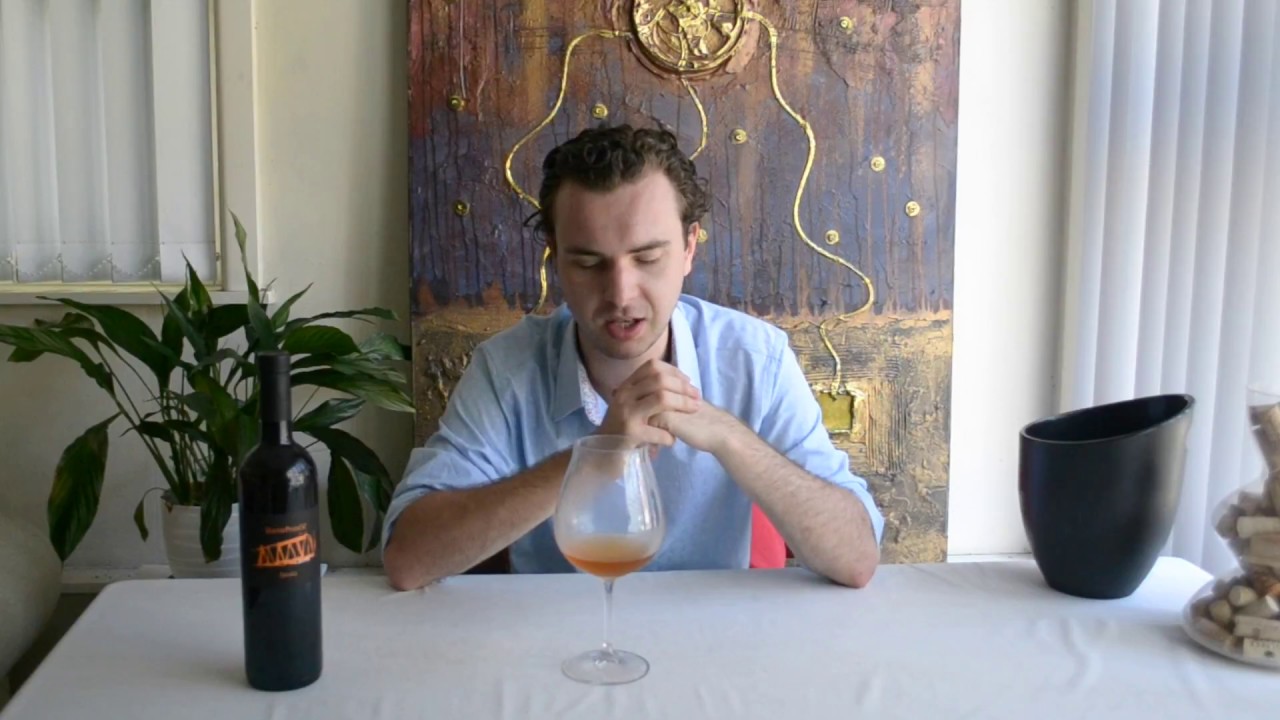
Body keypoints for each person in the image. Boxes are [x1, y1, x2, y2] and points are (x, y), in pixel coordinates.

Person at [382, 124, 884, 590]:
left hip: (714, 637)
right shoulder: (507, 368)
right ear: (555, 257)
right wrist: (597, 456)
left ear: (688, 248)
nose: (621, 294)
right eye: (588, 262)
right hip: (555, 640)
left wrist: (729, 436)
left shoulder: (756, 358)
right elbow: (408, 560)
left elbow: (857, 558)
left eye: (647, 258)